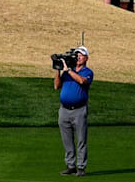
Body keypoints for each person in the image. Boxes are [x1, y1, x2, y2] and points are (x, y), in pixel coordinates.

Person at [54, 46, 92, 177]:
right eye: (77, 55)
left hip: (79, 110)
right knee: (67, 140)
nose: (78, 57)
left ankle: (81, 167)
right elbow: (56, 86)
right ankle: (70, 166)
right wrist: (58, 71)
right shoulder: (67, 72)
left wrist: (69, 70)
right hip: (64, 110)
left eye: (81, 55)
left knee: (81, 140)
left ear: (86, 58)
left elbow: (82, 81)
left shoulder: (88, 71)